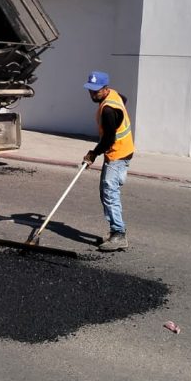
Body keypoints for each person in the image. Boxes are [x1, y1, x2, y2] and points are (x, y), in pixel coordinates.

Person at [81, 71, 134, 251]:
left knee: (110, 193)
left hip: (117, 154)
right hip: (120, 151)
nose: (92, 94)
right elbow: (124, 99)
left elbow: (108, 139)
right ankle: (114, 232)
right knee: (106, 191)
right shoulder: (115, 96)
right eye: (90, 90)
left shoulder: (109, 110)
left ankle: (119, 234)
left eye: (96, 91)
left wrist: (92, 154)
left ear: (105, 88)